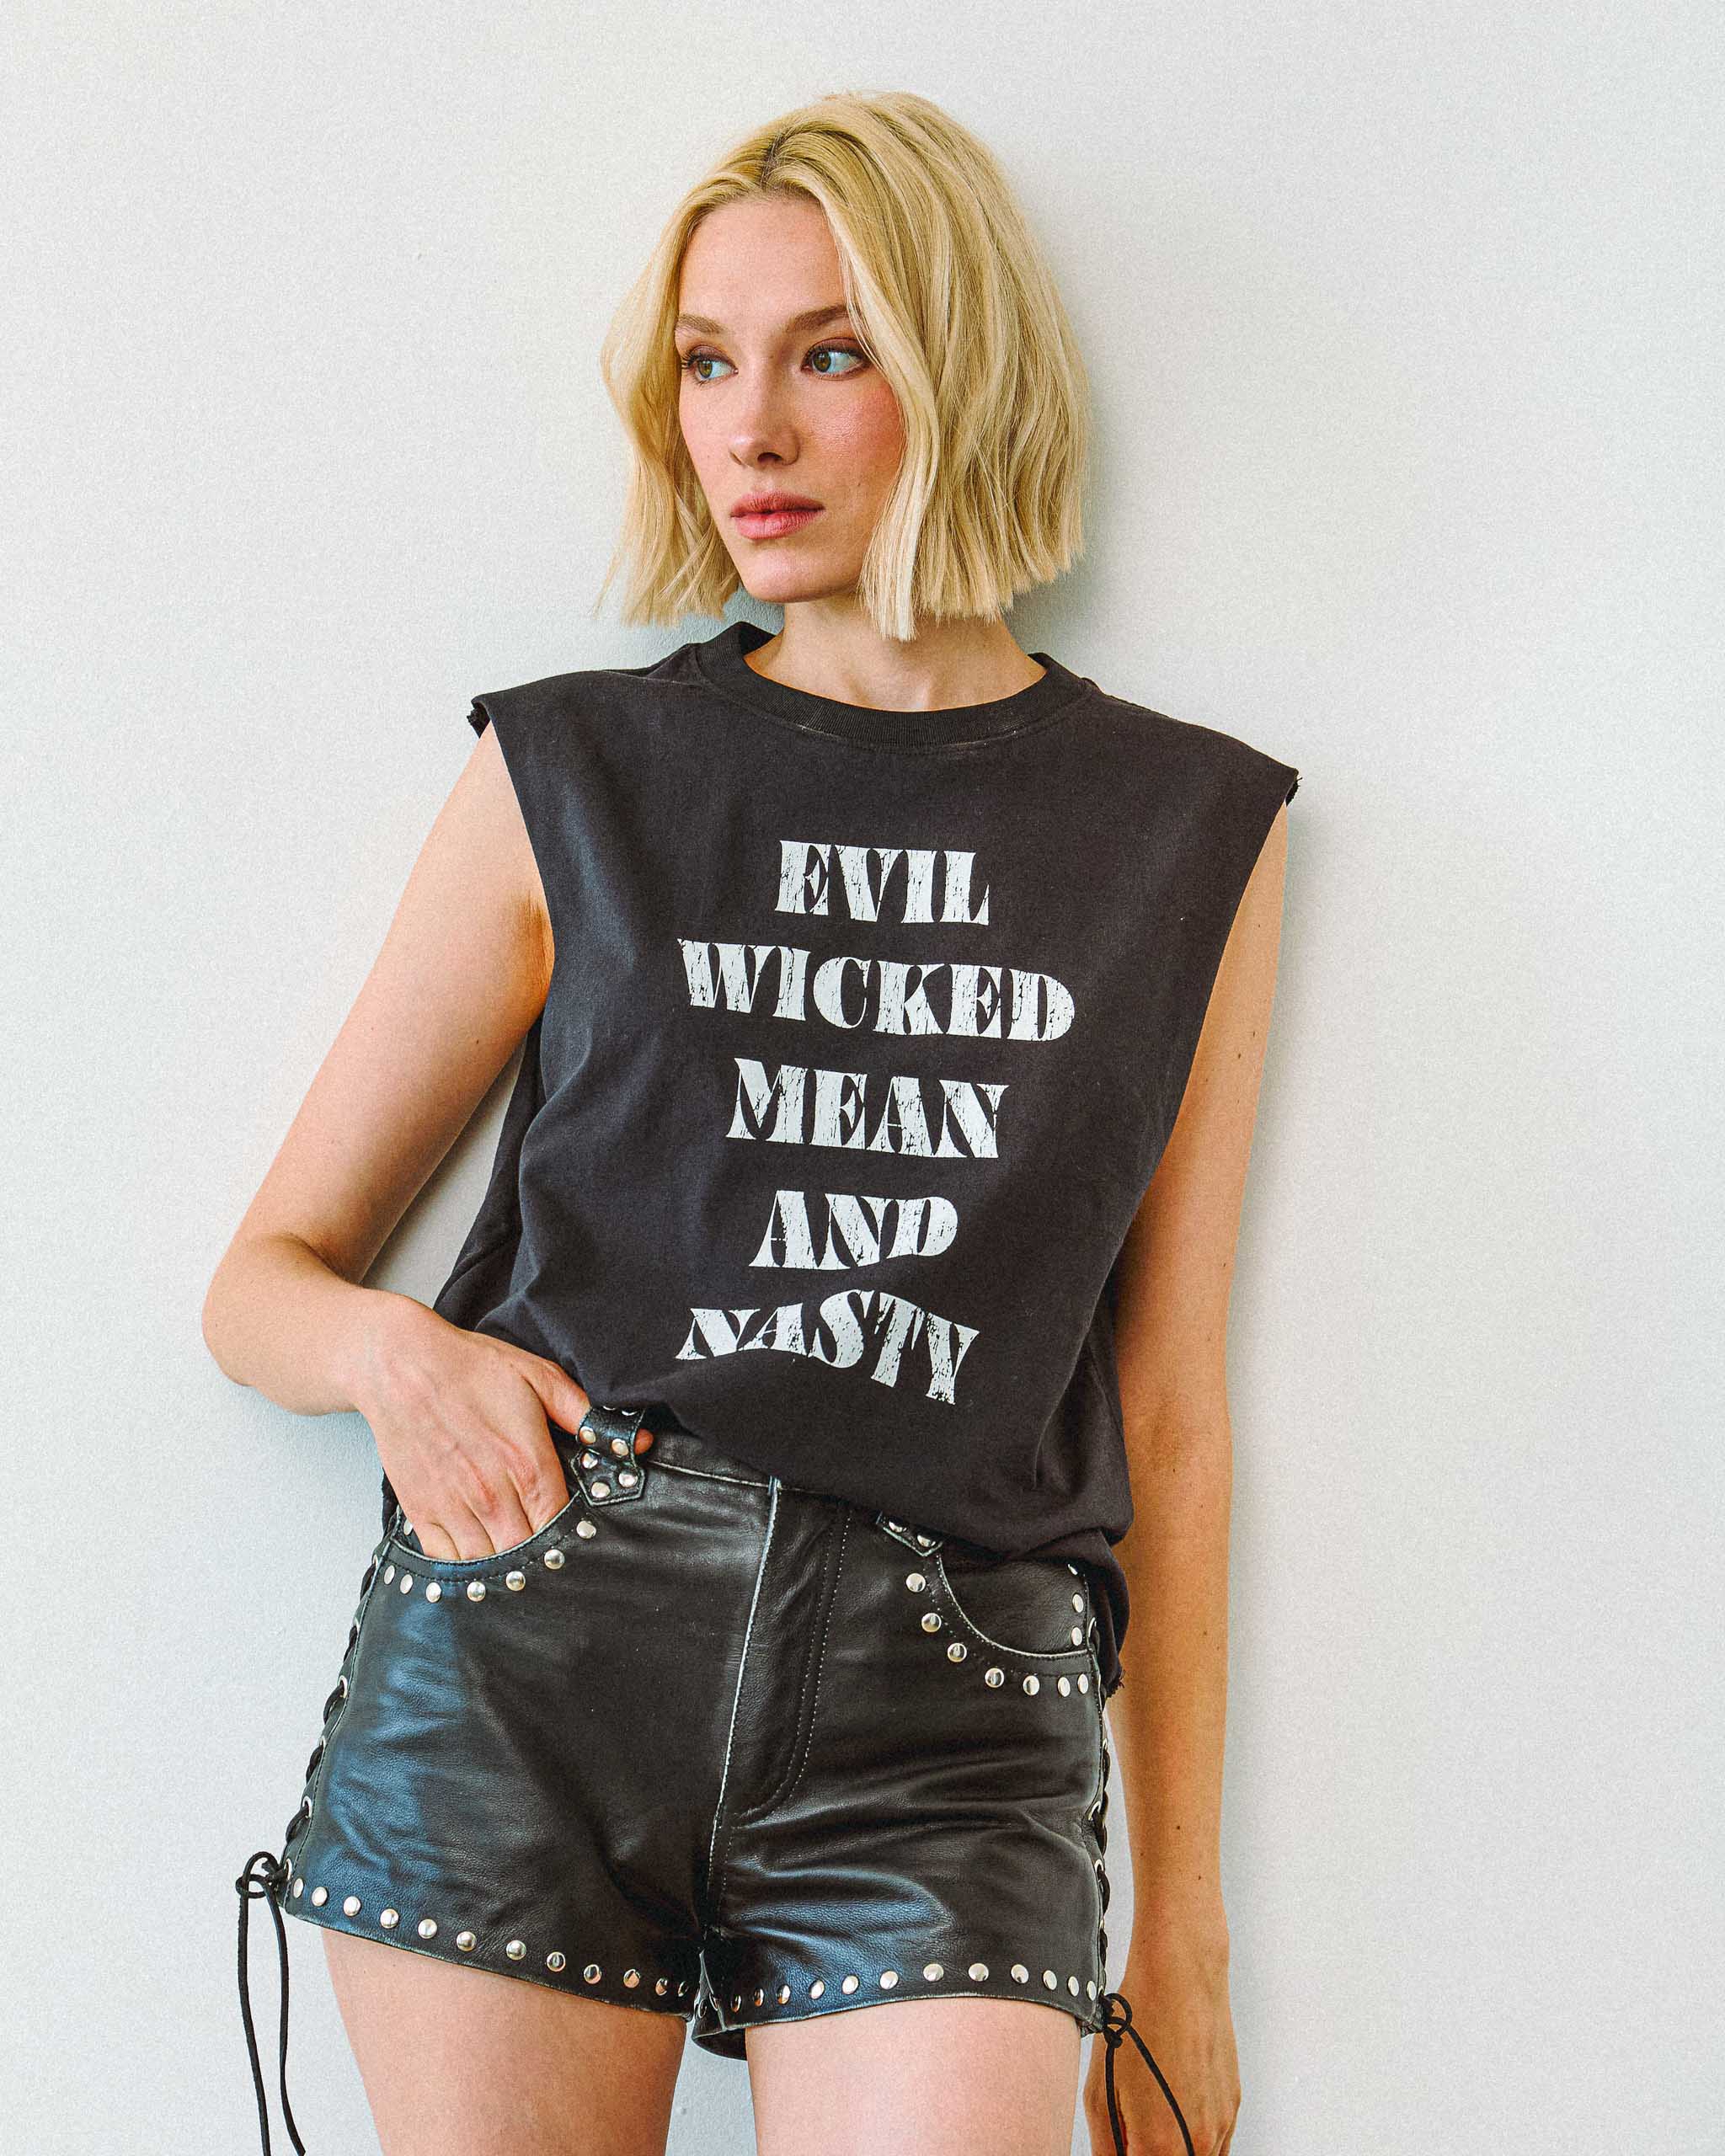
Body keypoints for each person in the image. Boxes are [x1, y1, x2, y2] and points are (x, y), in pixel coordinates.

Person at [213, 88, 1299, 2156]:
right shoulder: (575, 770)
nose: (750, 433)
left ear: (961, 372)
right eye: (708, 364)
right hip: (537, 1649)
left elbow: (1164, 1406)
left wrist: (1183, 1935)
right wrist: (394, 1357)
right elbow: (258, 1283)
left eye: (829, 353)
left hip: (951, 1713)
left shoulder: (1182, 831)